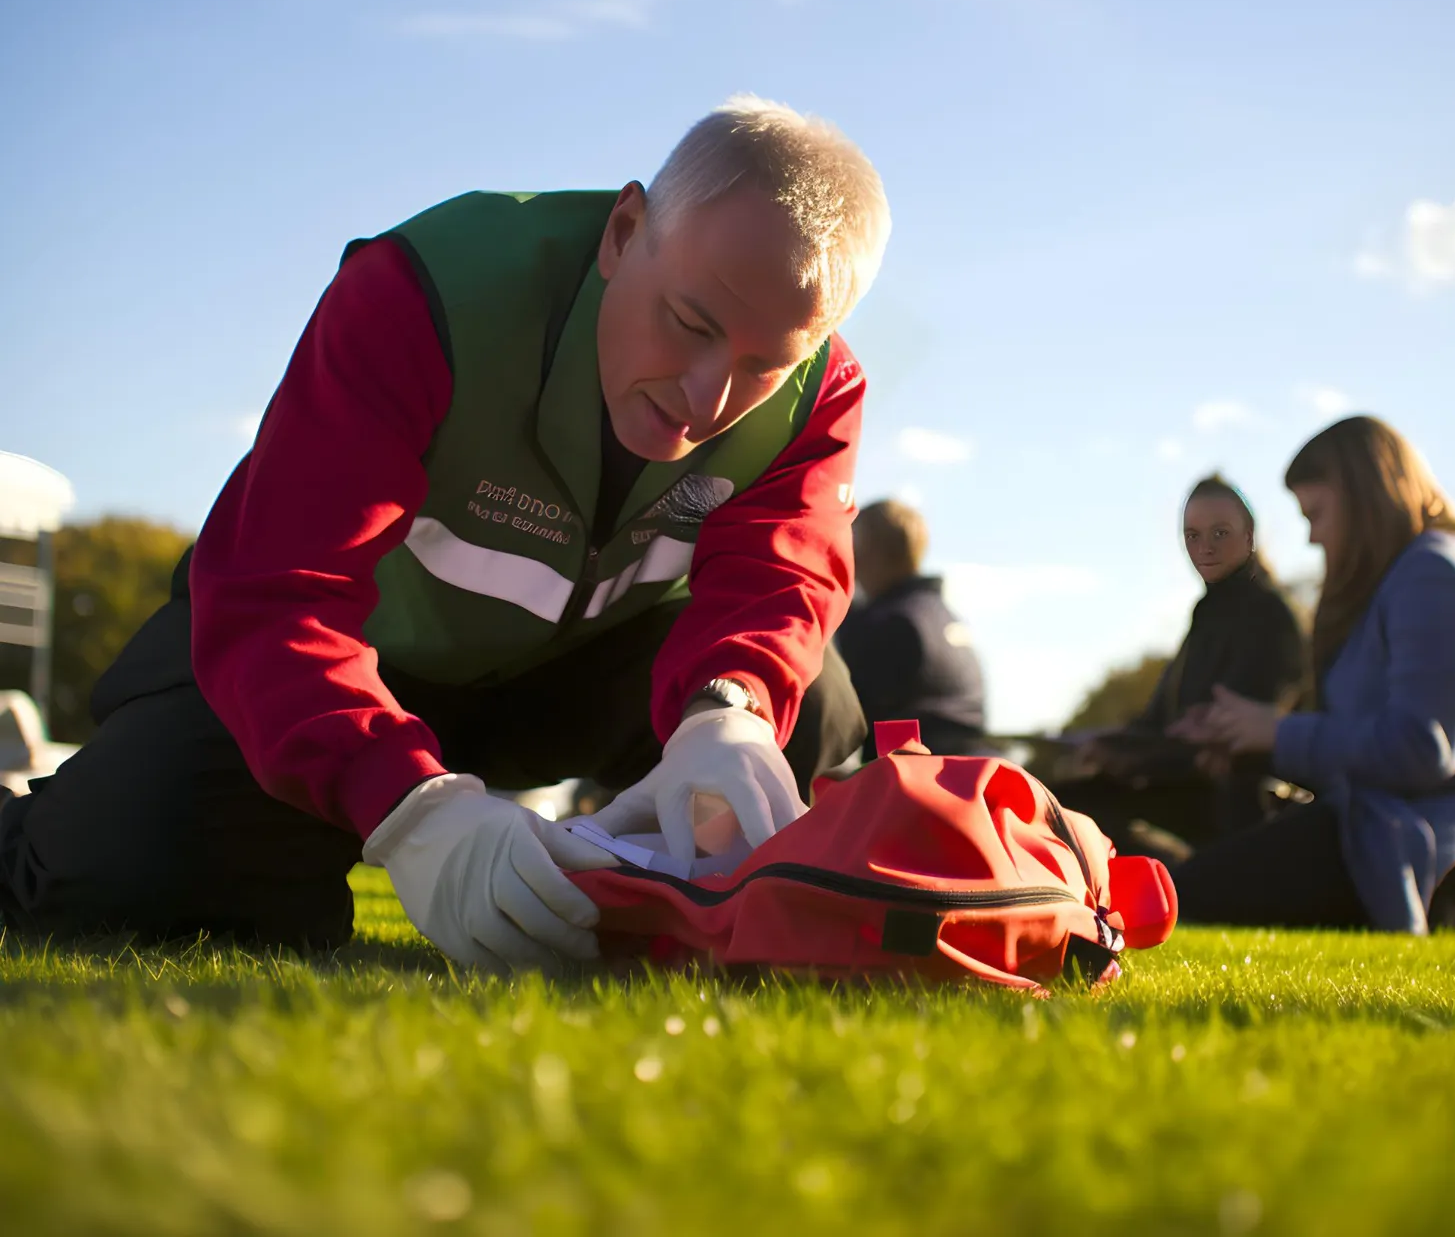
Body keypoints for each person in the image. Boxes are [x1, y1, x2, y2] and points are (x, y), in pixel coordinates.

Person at [0, 96, 889, 970]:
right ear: (623, 232)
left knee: (801, 731)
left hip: (582, 679)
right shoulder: (426, 291)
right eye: (690, 323)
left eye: (763, 367)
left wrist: (727, 709)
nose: (708, 400)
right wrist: (413, 807)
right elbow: (277, 593)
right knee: (137, 869)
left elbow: (782, 584)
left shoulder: (824, 389)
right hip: (353, 667)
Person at [1174, 417, 1455, 932]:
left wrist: (1276, 731)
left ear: (1366, 500)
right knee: (1188, 886)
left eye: (1317, 514)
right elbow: (1369, 749)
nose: (1311, 536)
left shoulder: (1432, 574)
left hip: (1433, 849)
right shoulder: (1413, 577)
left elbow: (1421, 748)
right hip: (1386, 829)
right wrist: (1256, 743)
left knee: (1183, 898)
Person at [1046, 475, 1306, 850]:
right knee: (1057, 803)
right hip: (1180, 786)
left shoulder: (1269, 617)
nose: (1205, 548)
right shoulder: (1207, 613)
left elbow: (1223, 741)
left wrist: (1134, 756)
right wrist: (1110, 746)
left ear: (1249, 534)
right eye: (1192, 535)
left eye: (1220, 533)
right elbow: (1160, 722)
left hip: (1236, 805)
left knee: (1078, 816)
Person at [836, 499, 988, 757]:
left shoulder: (889, 624)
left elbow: (842, 716)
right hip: (963, 773)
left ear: (872, 552)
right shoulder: (944, 616)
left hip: (913, 779)